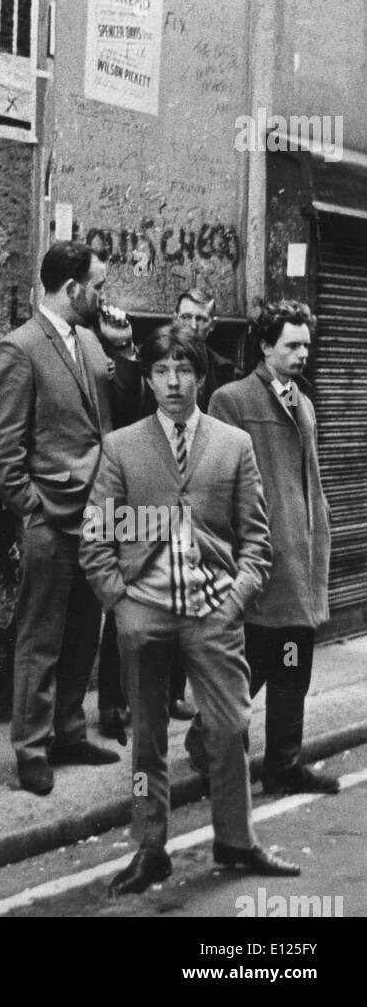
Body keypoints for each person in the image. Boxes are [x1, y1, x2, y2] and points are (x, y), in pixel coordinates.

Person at [81, 325, 299, 895]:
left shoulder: (232, 444)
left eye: (184, 370)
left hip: (212, 612)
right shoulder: (122, 446)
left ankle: (236, 840)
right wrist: (119, 604)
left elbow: (257, 541)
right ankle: (149, 848)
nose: (173, 382)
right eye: (161, 371)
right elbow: (95, 538)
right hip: (145, 611)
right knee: (147, 742)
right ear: (149, 379)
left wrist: (235, 602)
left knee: (229, 728)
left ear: (202, 377)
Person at [0, 240, 141, 796]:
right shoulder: (18, 348)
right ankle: (30, 749)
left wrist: (124, 351)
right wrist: (34, 507)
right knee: (41, 637)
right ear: (71, 288)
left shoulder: (94, 342)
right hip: (51, 517)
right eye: (97, 286)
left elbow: (123, 408)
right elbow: (2, 446)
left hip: (97, 515)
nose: (103, 296)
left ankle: (70, 732)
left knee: (83, 631)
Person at [188, 301, 339, 796]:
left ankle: (283, 763)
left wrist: (322, 534)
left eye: (306, 345)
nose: (302, 354)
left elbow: (310, 482)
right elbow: (212, 485)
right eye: (292, 345)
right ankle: (205, 742)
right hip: (258, 563)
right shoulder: (232, 401)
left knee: (293, 662)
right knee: (250, 666)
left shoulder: (305, 403)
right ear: (266, 346)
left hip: (300, 560)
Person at [98, 288, 240, 736]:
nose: (190, 324)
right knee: (135, 598)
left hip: (199, 506)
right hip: (149, 504)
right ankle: (112, 703)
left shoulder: (222, 372)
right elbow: (126, 405)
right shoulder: (156, 364)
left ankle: (174, 693)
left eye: (199, 319)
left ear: (211, 325)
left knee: (187, 601)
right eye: (184, 315)